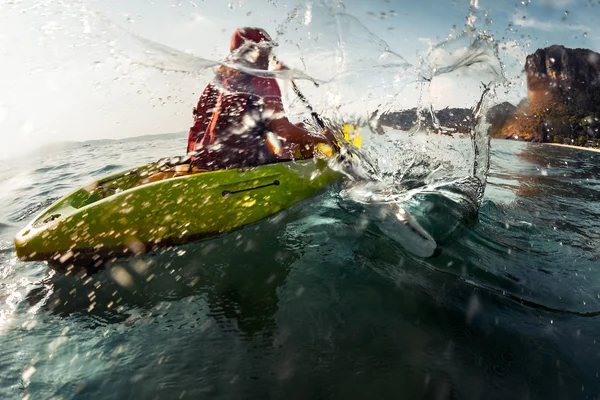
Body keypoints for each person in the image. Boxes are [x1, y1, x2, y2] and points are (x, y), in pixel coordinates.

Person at [187, 27, 335, 170]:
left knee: (297, 128)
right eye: (267, 50)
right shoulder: (263, 80)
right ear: (260, 51)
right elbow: (284, 132)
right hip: (239, 162)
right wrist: (323, 139)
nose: (270, 56)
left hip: (200, 159)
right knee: (303, 135)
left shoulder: (217, 82)